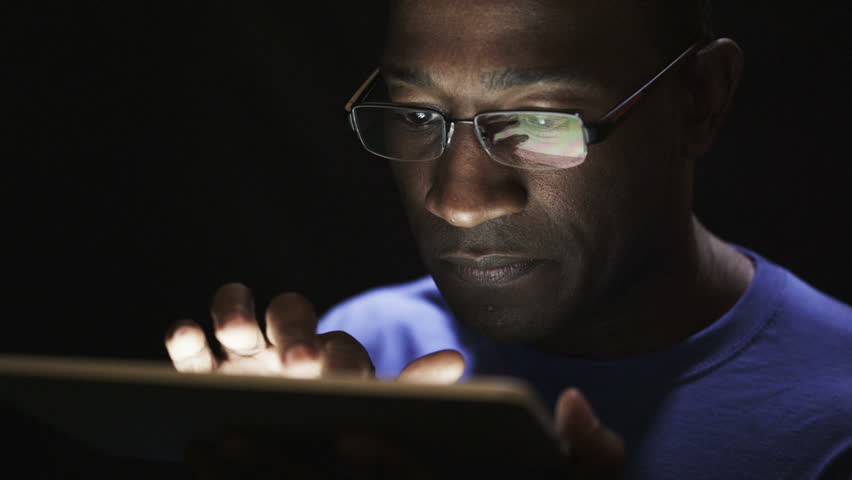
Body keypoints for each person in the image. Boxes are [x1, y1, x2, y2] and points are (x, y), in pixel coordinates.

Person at [164, 0, 852, 478]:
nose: (459, 202)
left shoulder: (835, 420)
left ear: (701, 100)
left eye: (541, 121)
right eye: (416, 113)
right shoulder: (363, 356)